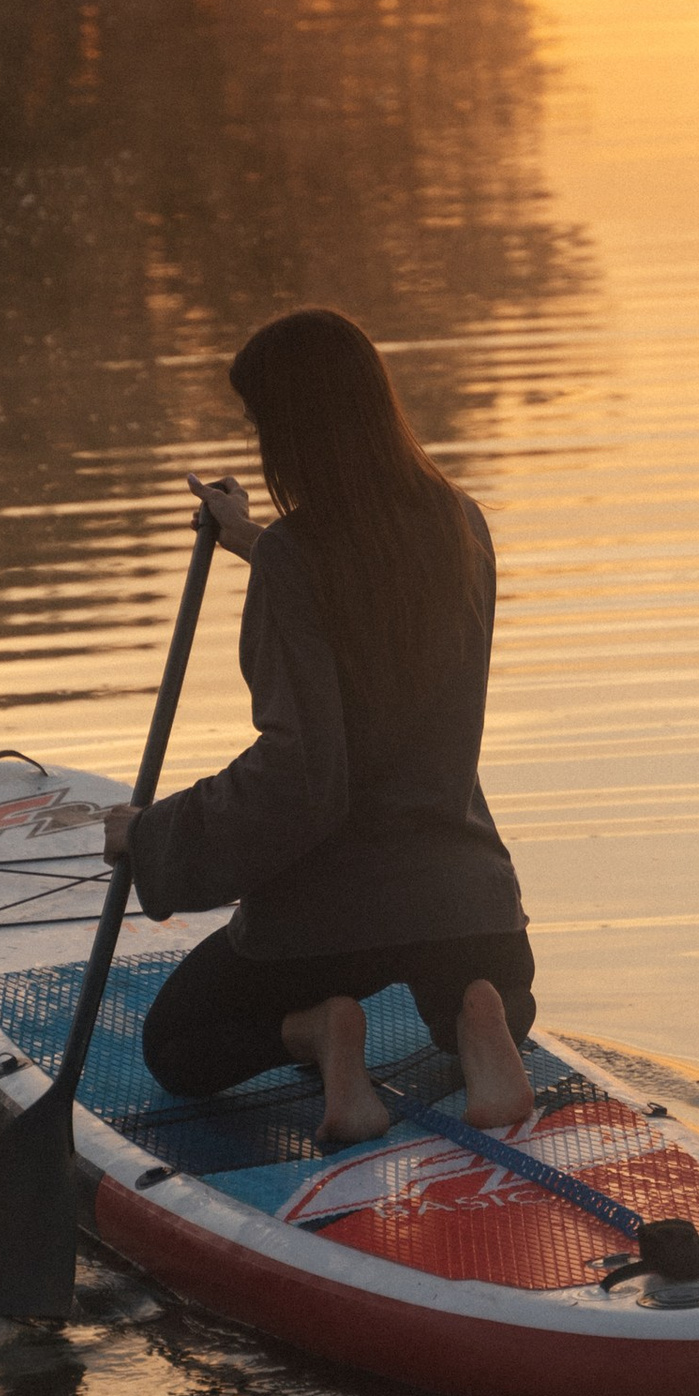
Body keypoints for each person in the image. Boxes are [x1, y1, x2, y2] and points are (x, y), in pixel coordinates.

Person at [104, 306, 535, 1144]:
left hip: (331, 921)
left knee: (178, 1044)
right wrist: (254, 542)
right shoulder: (462, 523)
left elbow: (301, 778)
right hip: (470, 908)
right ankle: (478, 1015)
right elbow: (366, 581)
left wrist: (152, 836)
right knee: (496, 987)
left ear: (291, 431)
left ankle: (319, 1032)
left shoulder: (297, 560)